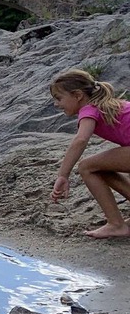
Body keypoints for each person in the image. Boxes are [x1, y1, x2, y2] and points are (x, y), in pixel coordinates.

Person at [49, 68, 130, 238]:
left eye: (59, 98)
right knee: (97, 167)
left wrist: (62, 175)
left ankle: (116, 224)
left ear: (78, 95)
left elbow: (80, 140)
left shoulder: (89, 109)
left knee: (86, 167)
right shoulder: (108, 105)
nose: (56, 104)